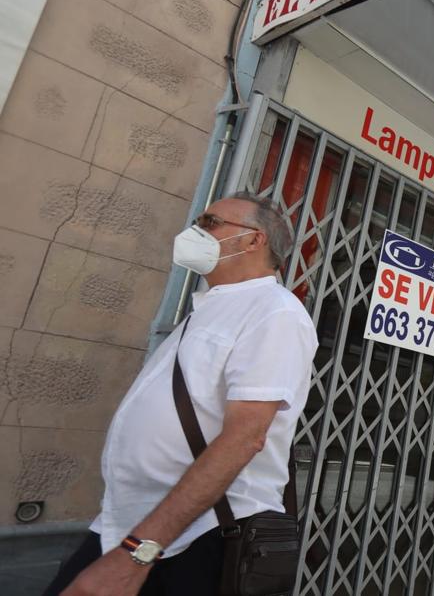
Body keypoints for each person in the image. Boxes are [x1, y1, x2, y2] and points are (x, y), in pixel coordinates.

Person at [45, 194, 318, 596]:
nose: (195, 231)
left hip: (199, 536)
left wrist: (141, 551)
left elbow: (245, 437)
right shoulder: (210, 308)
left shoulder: (274, 311)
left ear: (253, 240)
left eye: (210, 222)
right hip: (135, 525)